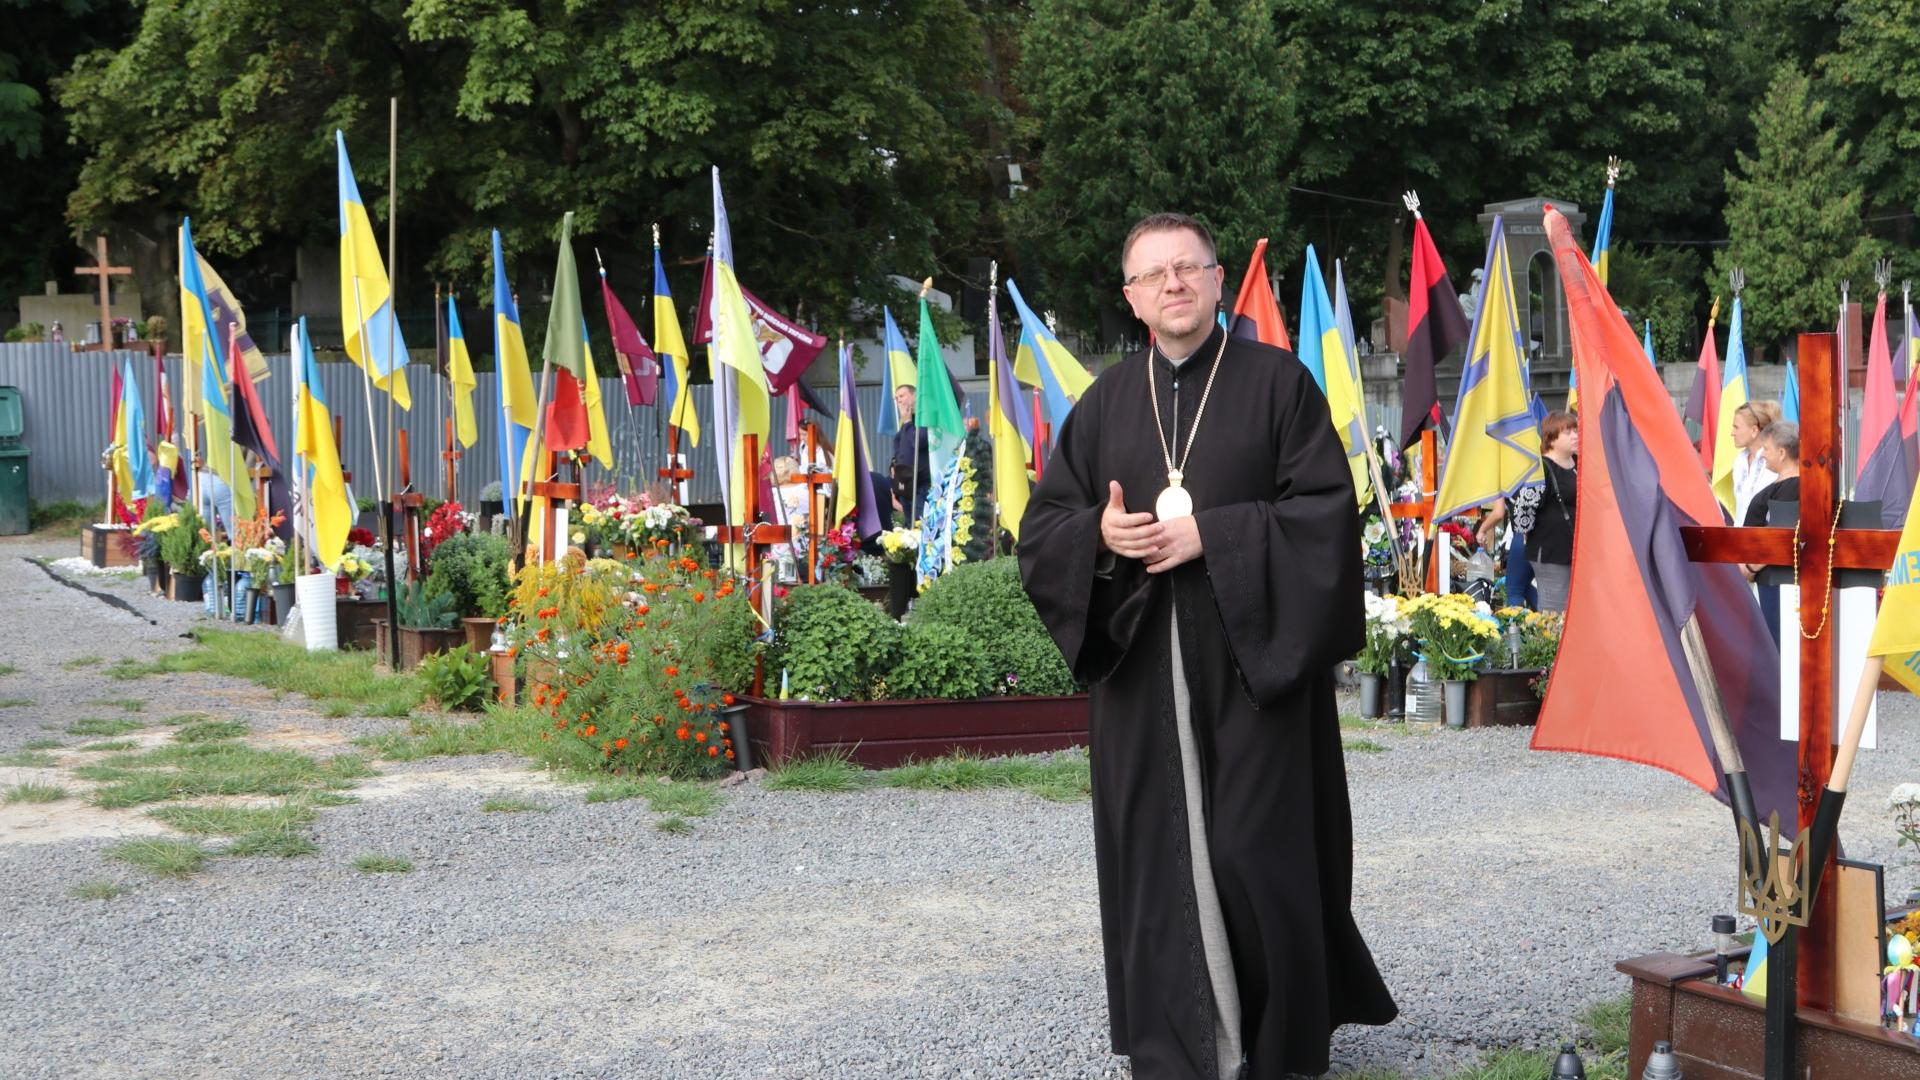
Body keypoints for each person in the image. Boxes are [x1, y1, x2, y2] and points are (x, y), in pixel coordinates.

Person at [1018, 212, 1396, 1080]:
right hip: (1141, 669)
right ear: (1132, 299)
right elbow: (1044, 528)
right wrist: (1102, 538)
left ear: (1219, 282)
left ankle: (1276, 1048)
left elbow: (1327, 516)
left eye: (1188, 269)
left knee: (1252, 852)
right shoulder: (1108, 400)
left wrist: (1215, 540)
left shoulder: (1278, 384)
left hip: (1251, 667)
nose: (1174, 285)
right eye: (1155, 275)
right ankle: (1179, 1048)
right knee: (1156, 858)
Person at [1510, 410, 1577, 612]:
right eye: (1568, 432)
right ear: (1552, 438)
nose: (1575, 435)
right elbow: (1522, 508)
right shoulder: (1541, 469)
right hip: (1550, 552)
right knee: (1553, 612)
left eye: (1576, 430)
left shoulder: (1578, 464)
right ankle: (1549, 645)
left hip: (1573, 551)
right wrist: (1530, 533)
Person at [1742, 421, 1800, 644]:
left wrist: (1750, 566)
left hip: (1778, 581)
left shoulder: (1794, 486)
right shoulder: (1781, 485)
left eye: (1766, 449)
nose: (1762, 454)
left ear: (1782, 452)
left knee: (1779, 644)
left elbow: (1783, 533)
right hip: (1768, 580)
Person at [1729, 400, 1782, 526]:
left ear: (1754, 430)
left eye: (1736, 427)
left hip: (1764, 539)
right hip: (1739, 538)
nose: (1732, 433)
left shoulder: (1774, 462)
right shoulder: (1739, 461)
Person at [890, 384, 932, 522]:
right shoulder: (905, 425)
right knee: (909, 525)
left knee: (919, 523)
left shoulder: (924, 418)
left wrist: (907, 421)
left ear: (914, 395)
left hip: (921, 485)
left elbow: (919, 442)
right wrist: (893, 465)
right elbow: (900, 449)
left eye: (902, 396)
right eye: (896, 398)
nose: (899, 400)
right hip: (905, 485)